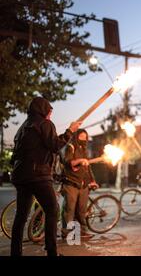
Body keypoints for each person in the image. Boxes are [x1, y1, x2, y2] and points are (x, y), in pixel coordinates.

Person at [10, 97, 81, 256]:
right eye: (49, 112)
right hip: (38, 175)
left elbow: (46, 144)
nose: (50, 115)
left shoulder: (23, 127)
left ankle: (15, 253)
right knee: (52, 210)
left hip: (20, 176)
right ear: (42, 110)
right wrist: (70, 131)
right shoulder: (44, 124)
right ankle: (51, 252)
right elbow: (56, 146)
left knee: (20, 216)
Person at [61, 129, 99, 239]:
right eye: (81, 137)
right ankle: (66, 232)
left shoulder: (84, 150)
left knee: (81, 210)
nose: (83, 139)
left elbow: (88, 167)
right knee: (69, 210)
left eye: (85, 137)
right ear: (76, 137)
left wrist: (92, 180)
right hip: (71, 183)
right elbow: (68, 162)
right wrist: (80, 160)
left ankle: (81, 231)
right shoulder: (71, 147)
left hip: (84, 185)